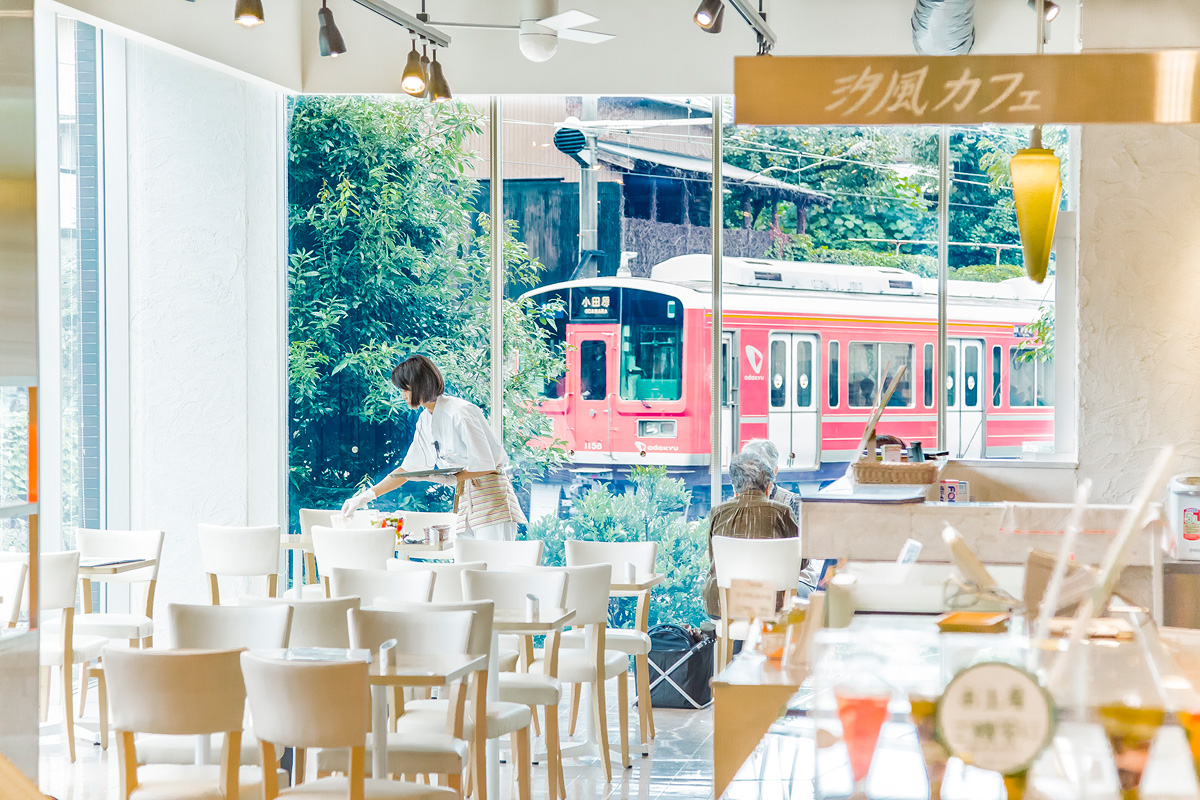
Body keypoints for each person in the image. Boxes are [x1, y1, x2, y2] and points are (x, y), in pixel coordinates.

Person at [339, 355, 527, 540]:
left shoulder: (461, 412)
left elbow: (486, 464)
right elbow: (407, 470)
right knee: (466, 569)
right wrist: (363, 498)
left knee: (493, 567)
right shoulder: (425, 420)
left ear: (421, 385)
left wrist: (449, 479)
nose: (403, 395)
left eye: (405, 389)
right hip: (465, 501)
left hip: (492, 498)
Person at [702, 449, 798, 618]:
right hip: (771, 604)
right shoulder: (782, 512)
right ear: (768, 487)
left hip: (721, 604)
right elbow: (800, 561)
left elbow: (713, 558)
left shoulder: (717, 513)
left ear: (734, 488)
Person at [739, 439, 824, 593]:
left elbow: (802, 556)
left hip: (793, 579)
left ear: (775, 472)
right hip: (751, 582)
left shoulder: (791, 503)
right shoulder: (733, 508)